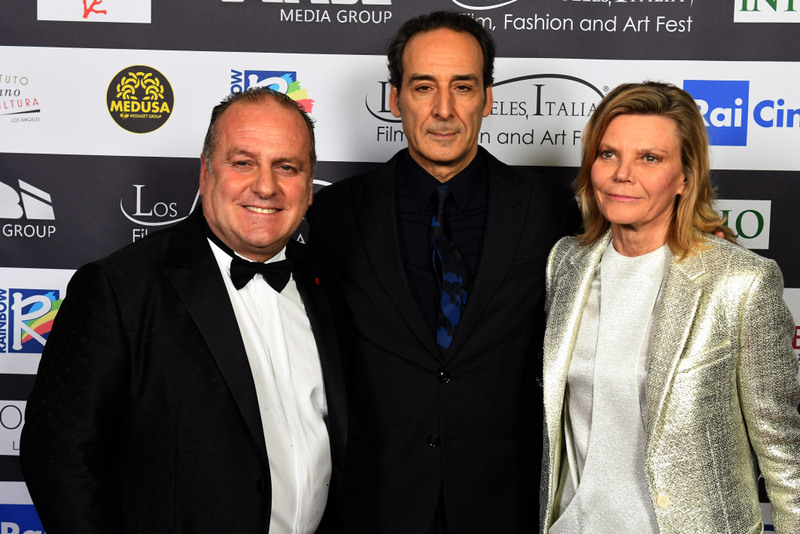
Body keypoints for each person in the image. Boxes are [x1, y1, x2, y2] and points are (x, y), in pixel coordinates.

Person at [20, 87, 348, 534]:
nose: (266, 186)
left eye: (287, 167)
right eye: (243, 162)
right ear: (206, 173)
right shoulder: (119, 289)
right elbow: (59, 458)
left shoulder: (330, 284)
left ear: (309, 189)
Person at [308, 11, 581, 534]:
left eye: (463, 86)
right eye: (423, 87)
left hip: (504, 504)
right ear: (395, 99)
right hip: (376, 503)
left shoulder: (551, 213)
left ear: (488, 98)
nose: (443, 109)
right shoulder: (336, 215)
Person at [540, 81, 800, 533]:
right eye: (608, 154)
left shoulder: (740, 282)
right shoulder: (566, 263)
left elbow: (784, 457)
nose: (623, 174)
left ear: (685, 177)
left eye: (650, 158)